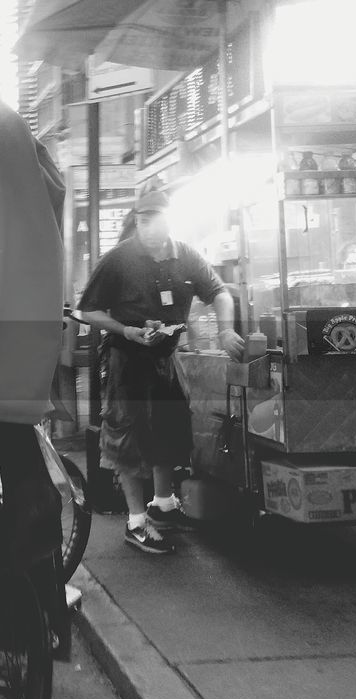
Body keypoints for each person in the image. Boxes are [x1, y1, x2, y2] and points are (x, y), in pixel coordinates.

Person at [77, 191, 243, 554]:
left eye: (157, 221)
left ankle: (163, 504)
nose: (150, 229)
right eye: (143, 221)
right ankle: (136, 521)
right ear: (137, 221)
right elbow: (89, 310)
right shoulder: (119, 259)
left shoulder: (185, 256)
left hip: (168, 356)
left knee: (169, 426)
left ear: (170, 221)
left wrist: (226, 329)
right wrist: (126, 329)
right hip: (127, 358)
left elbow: (220, 293)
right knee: (126, 435)